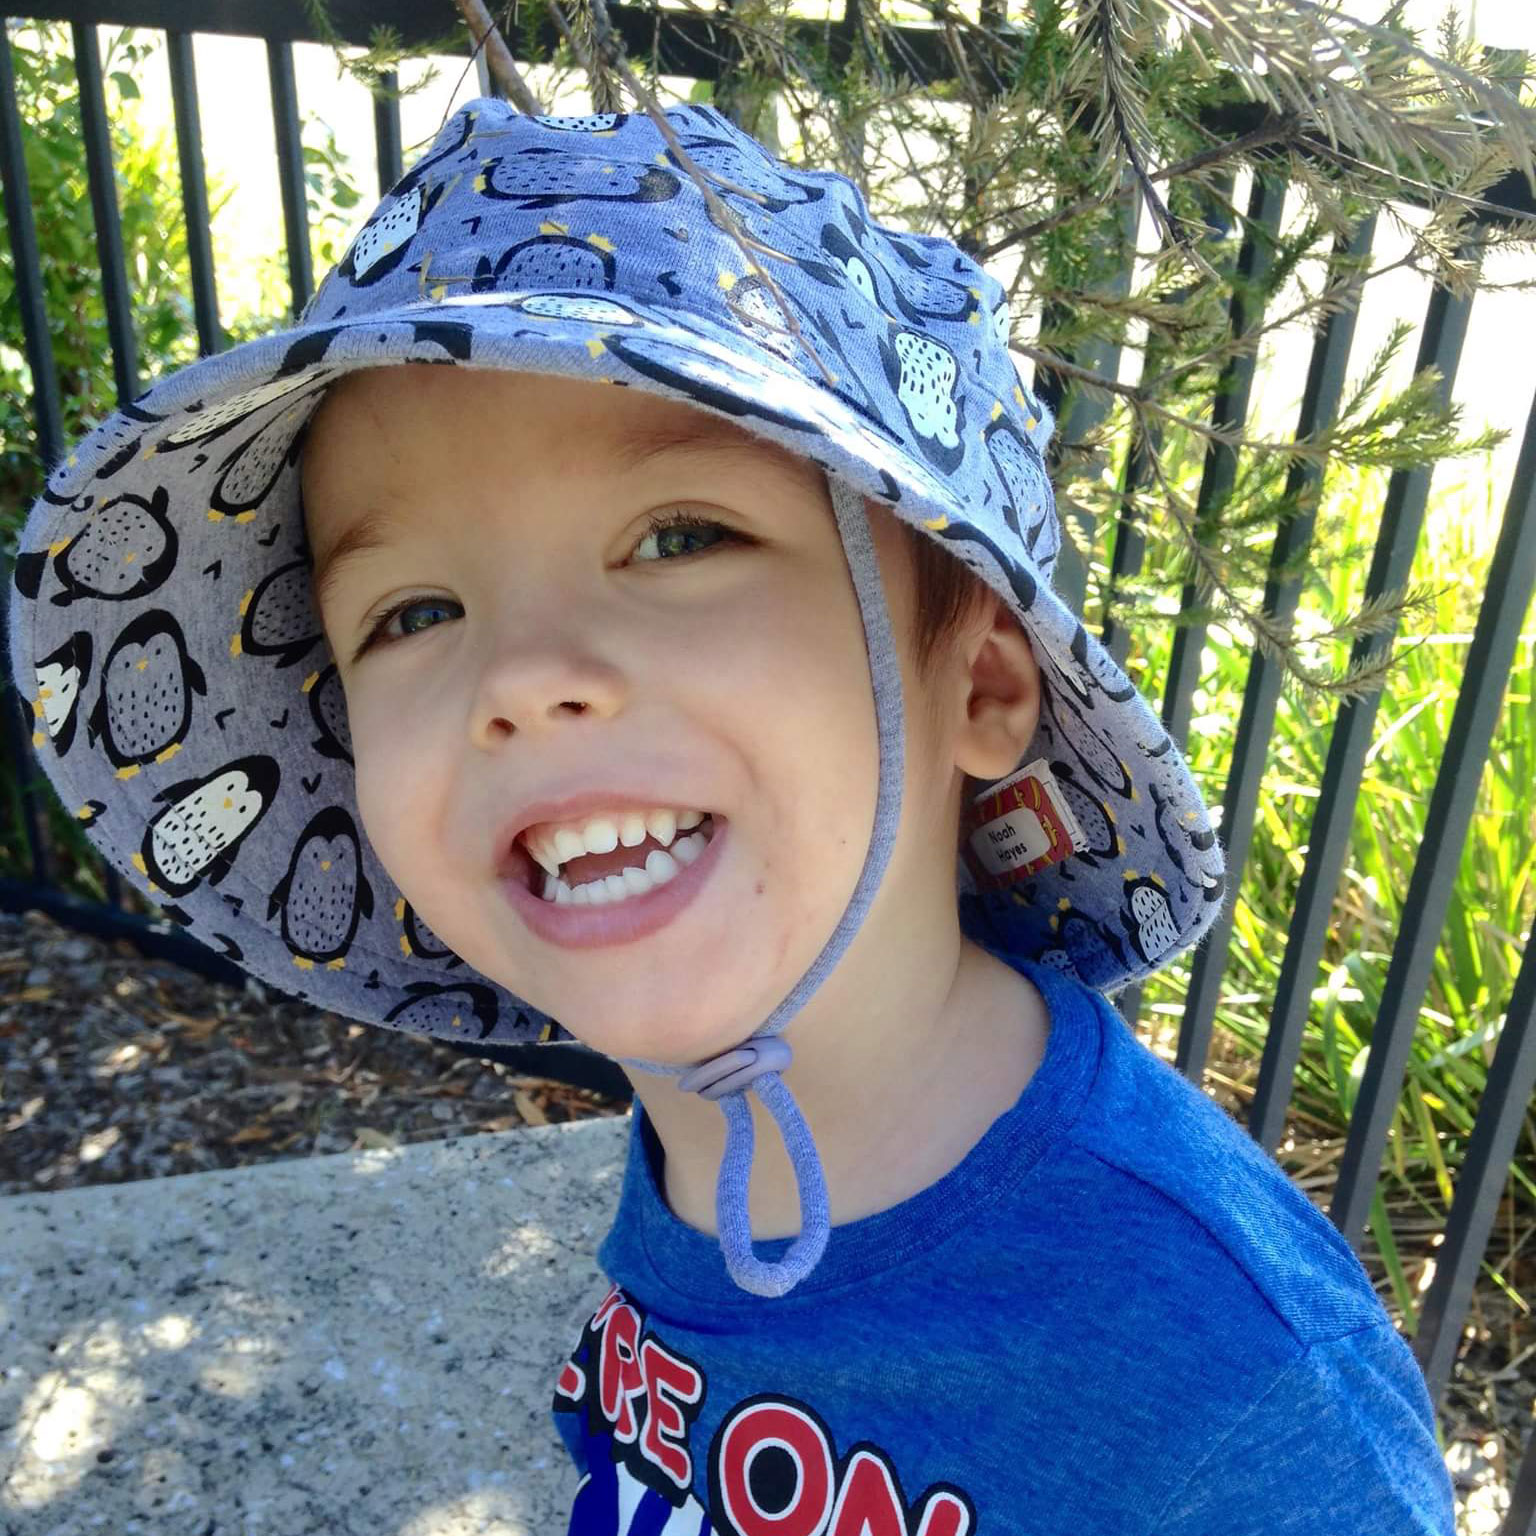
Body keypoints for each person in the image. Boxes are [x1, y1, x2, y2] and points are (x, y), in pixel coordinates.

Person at [7, 97, 1455, 1531]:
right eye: (413, 612)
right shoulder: (709, 1133)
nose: (518, 680)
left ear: (985, 687)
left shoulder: (1235, 1392)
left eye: (681, 537)